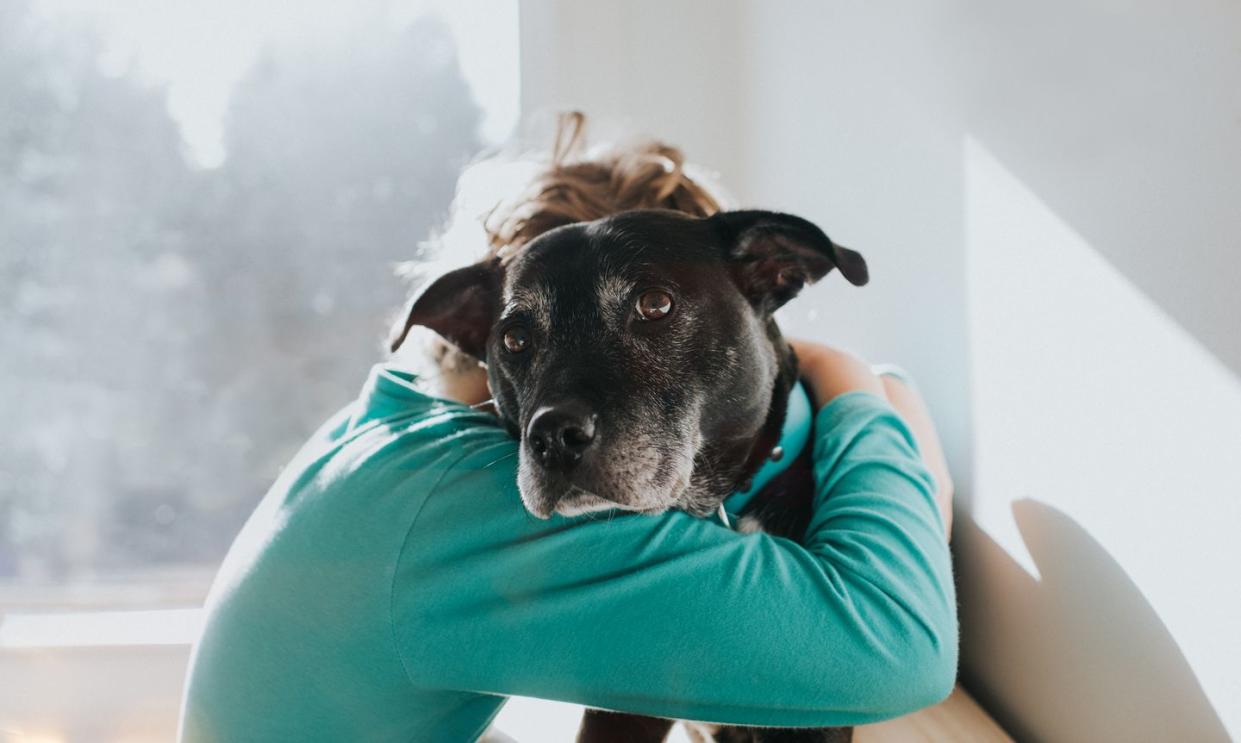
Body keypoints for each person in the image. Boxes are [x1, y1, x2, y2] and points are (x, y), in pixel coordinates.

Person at [178, 114, 957, 742]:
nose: (565, 400)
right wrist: (857, 385)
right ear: (474, 326)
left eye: (650, 311)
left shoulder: (386, 437)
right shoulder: (465, 498)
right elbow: (899, 648)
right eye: (523, 339)